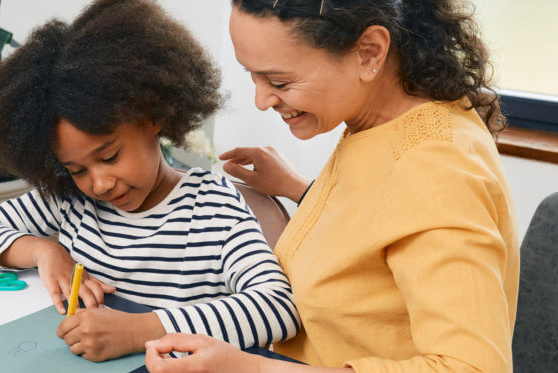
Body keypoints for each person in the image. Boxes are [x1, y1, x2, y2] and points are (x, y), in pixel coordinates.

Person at [145, 0, 518, 372]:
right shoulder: (386, 124)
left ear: (368, 53)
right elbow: (384, 229)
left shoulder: (438, 172)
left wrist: (252, 369)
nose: (262, 100)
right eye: (251, 76)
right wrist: (301, 190)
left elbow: (472, 367)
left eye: (279, 81)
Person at [0, 0, 300, 363]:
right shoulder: (71, 200)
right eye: (77, 169)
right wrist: (45, 250)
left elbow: (278, 307)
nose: (99, 184)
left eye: (109, 157)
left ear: (152, 118)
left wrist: (139, 331)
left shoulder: (212, 206)